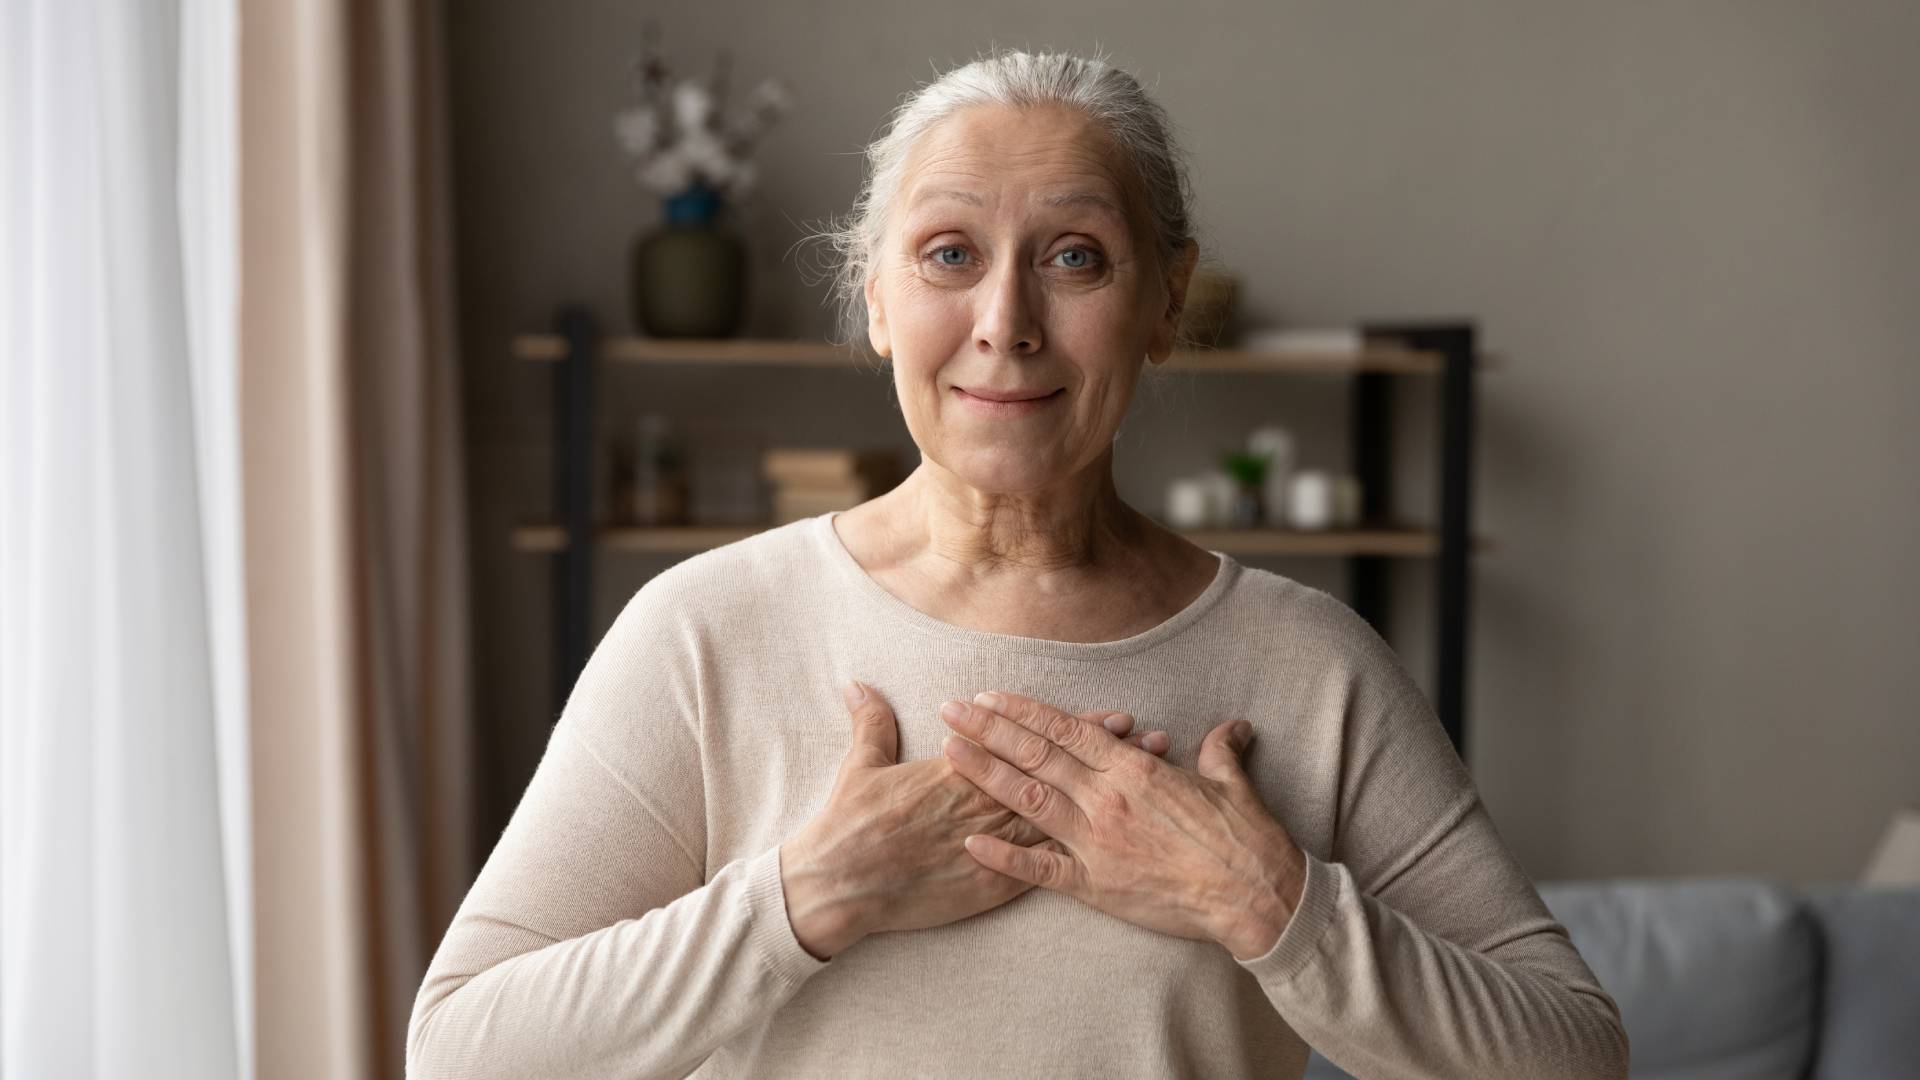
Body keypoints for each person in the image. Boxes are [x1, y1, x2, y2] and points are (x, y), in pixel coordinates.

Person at [407, 47, 1629, 1080]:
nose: (1005, 322)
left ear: (1166, 301)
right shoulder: (706, 631)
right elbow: (460, 1047)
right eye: (948, 254)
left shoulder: (1308, 664)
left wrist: (1268, 904)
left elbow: (1577, 1052)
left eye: (1076, 257)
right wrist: (808, 899)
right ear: (876, 295)